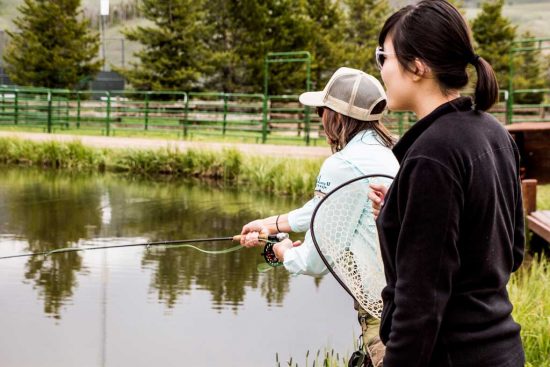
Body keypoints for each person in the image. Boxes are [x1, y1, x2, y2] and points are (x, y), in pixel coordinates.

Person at [368, 1, 525, 366]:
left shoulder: (432, 155)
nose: (381, 70)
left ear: (417, 66)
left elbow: (420, 303)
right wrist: (404, 206)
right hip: (501, 350)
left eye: (383, 57)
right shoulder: (493, 132)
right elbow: (512, 251)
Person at [241, 67, 399, 366]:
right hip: (400, 302)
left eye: (320, 111)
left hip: (383, 316)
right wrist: (268, 224)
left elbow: (313, 262)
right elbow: (324, 210)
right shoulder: (383, 151)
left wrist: (283, 250)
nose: (320, 118)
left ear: (336, 116)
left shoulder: (343, 164)